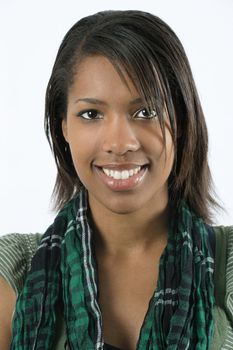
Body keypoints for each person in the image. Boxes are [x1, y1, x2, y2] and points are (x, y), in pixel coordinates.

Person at [0, 9, 232, 350]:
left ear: (180, 120)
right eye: (91, 114)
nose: (119, 143)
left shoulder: (227, 268)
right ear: (63, 125)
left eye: (146, 112)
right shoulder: (14, 275)